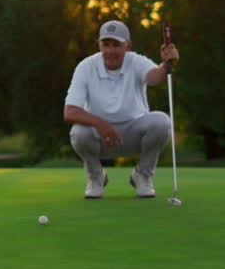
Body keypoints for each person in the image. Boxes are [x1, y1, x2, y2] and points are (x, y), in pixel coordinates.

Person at [63, 20, 180, 200]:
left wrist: (166, 66)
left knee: (162, 122)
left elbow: (155, 78)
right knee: (79, 133)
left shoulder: (136, 61)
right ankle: (96, 177)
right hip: (100, 138)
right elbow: (69, 111)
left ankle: (142, 175)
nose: (110, 51)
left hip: (134, 134)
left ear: (128, 46)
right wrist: (101, 124)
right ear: (99, 45)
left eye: (116, 45)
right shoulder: (86, 66)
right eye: (106, 44)